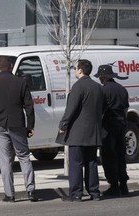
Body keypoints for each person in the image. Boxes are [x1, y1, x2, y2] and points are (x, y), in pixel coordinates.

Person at [0, 56, 37, 202]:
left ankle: (10, 194)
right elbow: (29, 106)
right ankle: (30, 191)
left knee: (5, 160)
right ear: (12, 66)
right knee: (24, 157)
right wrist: (30, 126)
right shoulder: (21, 82)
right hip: (17, 124)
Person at [58, 59, 103, 202]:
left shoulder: (78, 87)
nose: (75, 70)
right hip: (93, 131)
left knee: (76, 163)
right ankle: (94, 192)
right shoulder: (98, 87)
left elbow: (71, 109)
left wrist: (63, 125)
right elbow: (103, 107)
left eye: (76, 68)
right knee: (91, 162)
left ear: (80, 70)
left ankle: (76, 194)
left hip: (78, 132)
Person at [94, 64, 129, 196]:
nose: (99, 80)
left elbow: (100, 110)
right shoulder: (121, 89)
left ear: (103, 77)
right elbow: (125, 108)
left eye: (100, 77)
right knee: (121, 155)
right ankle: (124, 186)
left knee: (108, 155)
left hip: (108, 127)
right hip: (121, 125)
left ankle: (114, 185)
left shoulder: (103, 90)